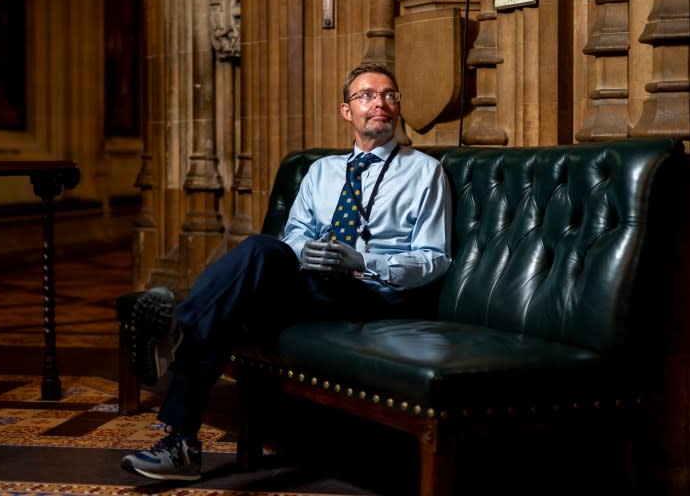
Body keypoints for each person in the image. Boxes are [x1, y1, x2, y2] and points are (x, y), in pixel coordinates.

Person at [118, 62, 452, 481]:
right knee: (257, 255)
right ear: (346, 111)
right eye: (365, 95)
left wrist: (363, 260)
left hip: (372, 294)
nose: (379, 103)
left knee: (229, 296)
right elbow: (292, 236)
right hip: (313, 285)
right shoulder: (321, 172)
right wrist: (307, 252)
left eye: (389, 95)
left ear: (397, 108)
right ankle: (181, 439)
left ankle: (177, 342)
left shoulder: (424, 172)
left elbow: (434, 258)